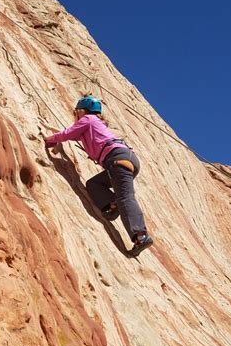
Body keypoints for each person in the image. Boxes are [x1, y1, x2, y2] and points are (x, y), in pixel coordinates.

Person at [44, 95, 153, 256]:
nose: (76, 115)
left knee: (125, 197)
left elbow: (68, 133)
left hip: (117, 160)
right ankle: (112, 205)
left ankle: (141, 235)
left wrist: (50, 139)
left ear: (82, 111)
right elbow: (70, 134)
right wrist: (55, 133)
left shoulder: (87, 119)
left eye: (76, 112)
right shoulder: (94, 124)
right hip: (123, 159)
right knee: (94, 184)